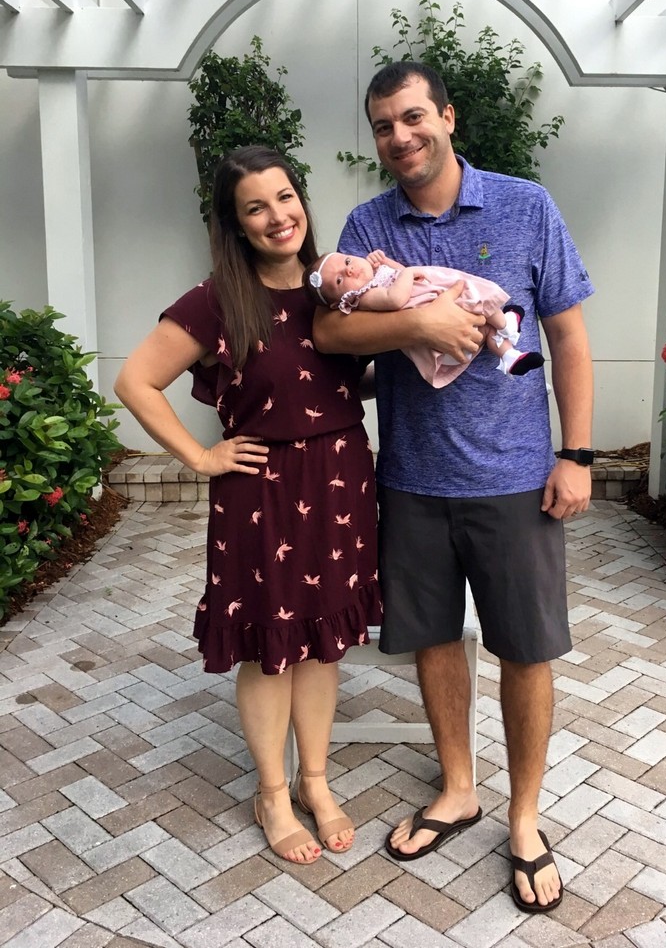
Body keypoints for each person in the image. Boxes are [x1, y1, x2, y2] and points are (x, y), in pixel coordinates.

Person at [313, 62, 594, 913]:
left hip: (515, 479)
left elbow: (568, 337)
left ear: (446, 117)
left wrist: (577, 455)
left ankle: (525, 817)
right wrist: (418, 321)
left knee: (525, 648)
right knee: (434, 640)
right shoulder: (369, 224)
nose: (399, 137)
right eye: (383, 126)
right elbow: (330, 330)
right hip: (411, 479)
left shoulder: (525, 206)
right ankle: (459, 787)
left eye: (412, 118)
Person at [115, 146, 382, 867]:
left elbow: (347, 379)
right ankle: (271, 793)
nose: (277, 216)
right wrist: (201, 457)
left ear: (302, 201)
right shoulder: (215, 301)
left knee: (323, 640)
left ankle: (314, 780)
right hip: (262, 493)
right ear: (235, 224)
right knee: (271, 648)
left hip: (340, 481)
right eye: (255, 207)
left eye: (285, 197)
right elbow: (135, 381)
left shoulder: (336, 287)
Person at [303, 248, 545, 386]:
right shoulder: (364, 297)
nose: (349, 269)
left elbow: (396, 273)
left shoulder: (376, 276)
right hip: (441, 338)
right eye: (339, 280)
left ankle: (509, 355)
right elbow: (395, 298)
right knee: (474, 295)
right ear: (340, 301)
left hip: (453, 330)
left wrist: (385, 262)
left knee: (483, 324)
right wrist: (409, 272)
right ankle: (506, 325)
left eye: (347, 261)